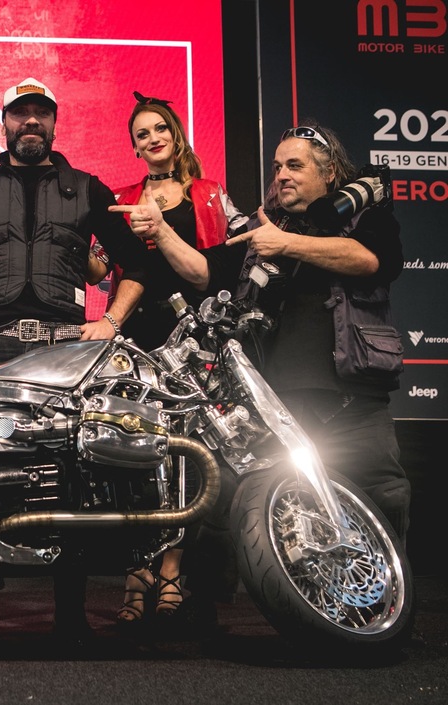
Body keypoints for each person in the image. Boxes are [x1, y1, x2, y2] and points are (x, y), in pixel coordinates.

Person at [112, 121, 411, 631]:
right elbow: (205, 271)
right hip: (271, 401)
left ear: (328, 172)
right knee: (222, 496)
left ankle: (387, 611)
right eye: (277, 167)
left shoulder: (365, 215)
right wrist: (161, 231)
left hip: (353, 396)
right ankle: (203, 609)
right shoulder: (262, 226)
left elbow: (370, 261)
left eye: (295, 165)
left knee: (384, 496)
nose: (282, 175)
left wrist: (286, 244)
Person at [0, 77, 149, 648]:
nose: (30, 122)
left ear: (55, 123)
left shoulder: (87, 188)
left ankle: (70, 614)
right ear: (4, 123)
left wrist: (111, 322)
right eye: (20, 113)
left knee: (70, 475)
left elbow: (136, 265)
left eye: (41, 113)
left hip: (67, 351)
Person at [87, 91, 247, 630]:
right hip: (133, 337)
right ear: (134, 148)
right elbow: (97, 269)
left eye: (159, 129)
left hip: (194, 339)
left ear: (175, 136)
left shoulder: (209, 194)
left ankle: (173, 569)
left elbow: (224, 265)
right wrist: (79, 237)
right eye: (142, 134)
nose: (152, 138)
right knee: (134, 454)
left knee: (188, 458)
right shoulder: (121, 198)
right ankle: (137, 571)